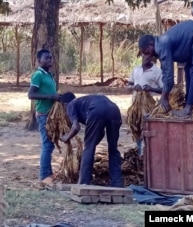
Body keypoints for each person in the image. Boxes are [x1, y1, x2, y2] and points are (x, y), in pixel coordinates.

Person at [138, 20, 193, 117]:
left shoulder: (161, 45)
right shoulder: (161, 43)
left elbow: (168, 76)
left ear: (151, 44)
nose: (148, 56)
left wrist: (164, 97)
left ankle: (188, 109)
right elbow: (165, 72)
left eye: (146, 52)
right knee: (188, 69)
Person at [60, 92, 123, 187]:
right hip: (115, 111)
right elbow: (100, 132)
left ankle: (83, 183)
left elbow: (76, 127)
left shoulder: (70, 105)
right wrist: (93, 142)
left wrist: (67, 137)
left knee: (88, 149)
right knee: (113, 149)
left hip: (97, 111)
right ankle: (117, 184)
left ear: (64, 104)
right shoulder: (83, 102)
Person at [28, 49, 62, 185]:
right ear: (38, 60)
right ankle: (44, 177)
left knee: (50, 144)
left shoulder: (49, 75)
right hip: (43, 114)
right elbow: (31, 95)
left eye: (51, 58)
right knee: (47, 144)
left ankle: (48, 173)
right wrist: (51, 97)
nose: (50, 60)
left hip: (51, 114)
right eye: (47, 58)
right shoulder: (38, 75)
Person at [128, 54, 163, 156]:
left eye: (149, 55)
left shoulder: (157, 72)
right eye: (144, 55)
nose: (146, 57)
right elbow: (129, 84)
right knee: (136, 129)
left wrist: (151, 89)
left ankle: (149, 154)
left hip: (149, 106)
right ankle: (139, 154)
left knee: (147, 129)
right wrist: (134, 87)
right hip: (135, 106)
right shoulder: (136, 69)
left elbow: (163, 89)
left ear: (153, 58)